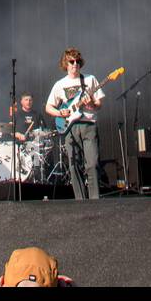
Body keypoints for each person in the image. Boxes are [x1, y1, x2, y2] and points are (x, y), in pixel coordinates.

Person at [45, 48, 104, 200]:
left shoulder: (90, 79)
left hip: (88, 124)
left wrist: (92, 103)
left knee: (92, 164)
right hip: (69, 128)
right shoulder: (60, 84)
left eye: (77, 61)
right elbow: (48, 107)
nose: (75, 64)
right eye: (71, 61)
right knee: (73, 165)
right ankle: (80, 201)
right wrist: (60, 113)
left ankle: (95, 200)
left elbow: (99, 104)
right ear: (66, 63)